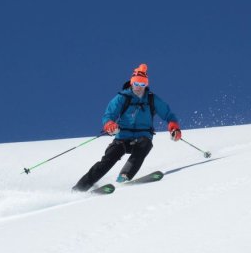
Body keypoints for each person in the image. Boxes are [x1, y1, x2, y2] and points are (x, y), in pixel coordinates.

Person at [72, 63, 182, 191]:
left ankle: (124, 176)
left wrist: (174, 128)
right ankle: (80, 187)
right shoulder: (122, 97)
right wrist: (110, 125)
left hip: (143, 136)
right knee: (108, 159)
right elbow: (109, 115)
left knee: (144, 145)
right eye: (136, 84)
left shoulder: (152, 99)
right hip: (123, 136)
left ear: (146, 85)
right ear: (131, 83)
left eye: (142, 84)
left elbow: (169, 115)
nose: (139, 87)